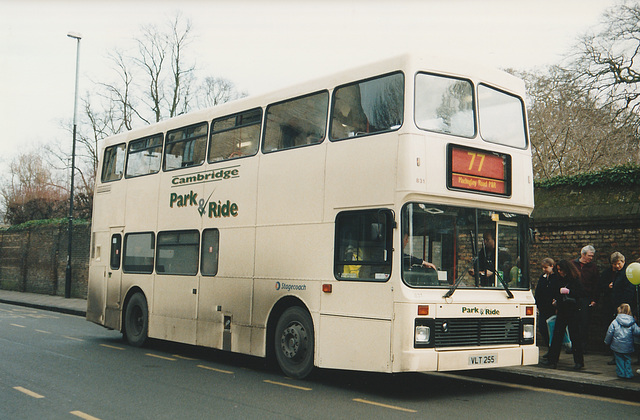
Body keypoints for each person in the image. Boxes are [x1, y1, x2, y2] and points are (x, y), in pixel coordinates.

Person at [541, 259, 586, 370]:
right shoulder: (558, 279)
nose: (560, 272)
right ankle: (552, 360)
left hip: (573, 311)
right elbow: (556, 291)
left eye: (561, 270)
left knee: (575, 337)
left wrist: (569, 291)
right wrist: (556, 299)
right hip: (562, 310)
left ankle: (579, 362)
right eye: (558, 270)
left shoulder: (574, 279)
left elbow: (581, 293)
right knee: (557, 336)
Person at [572, 245, 599, 353]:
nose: (591, 258)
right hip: (574, 297)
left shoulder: (593, 267)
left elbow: (596, 284)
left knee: (584, 323)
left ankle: (582, 347)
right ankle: (573, 346)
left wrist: (594, 299)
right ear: (583, 254)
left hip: (586, 297)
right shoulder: (573, 264)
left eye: (592, 256)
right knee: (574, 322)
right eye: (589, 256)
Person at [604, 303, 640, 379]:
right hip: (628, 345)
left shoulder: (615, 321)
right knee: (627, 359)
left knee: (619, 360)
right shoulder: (632, 322)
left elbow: (610, 332)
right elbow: (637, 332)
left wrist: (607, 341)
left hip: (617, 345)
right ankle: (628, 373)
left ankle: (621, 373)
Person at [535, 258, 558, 351]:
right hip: (543, 308)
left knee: (551, 330)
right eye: (543, 268)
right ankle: (549, 348)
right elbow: (538, 291)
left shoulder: (556, 278)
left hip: (551, 308)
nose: (544, 269)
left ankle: (552, 350)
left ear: (552, 266)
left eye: (546, 267)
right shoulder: (543, 277)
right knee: (542, 328)